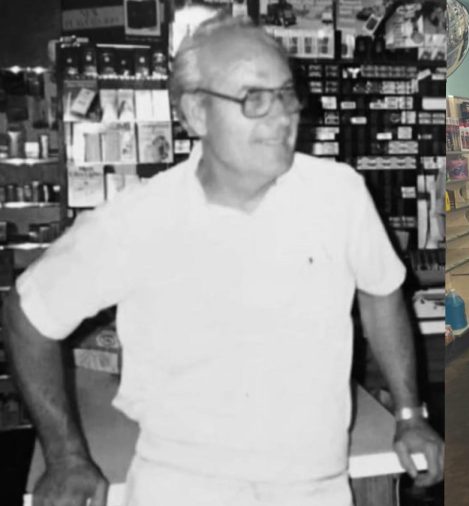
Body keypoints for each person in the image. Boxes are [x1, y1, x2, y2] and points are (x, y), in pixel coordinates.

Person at [3, 14, 442, 506]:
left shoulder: (338, 194)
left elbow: (380, 290)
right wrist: (64, 456)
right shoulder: (139, 220)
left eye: (285, 94)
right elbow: (28, 317)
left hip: (314, 487)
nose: (281, 117)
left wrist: (410, 414)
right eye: (254, 99)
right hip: (183, 488)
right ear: (195, 115)